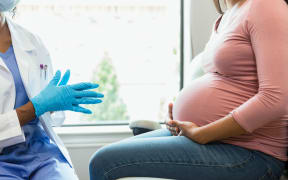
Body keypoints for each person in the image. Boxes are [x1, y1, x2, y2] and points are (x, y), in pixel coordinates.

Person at [89, 0, 288, 179]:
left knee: (105, 163)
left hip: (250, 153)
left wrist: (203, 132)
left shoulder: (266, 6)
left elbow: (276, 98)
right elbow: (227, 80)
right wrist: (182, 112)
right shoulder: (227, 15)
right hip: (215, 140)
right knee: (103, 158)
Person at [0, 0, 104, 179]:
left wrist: (54, 102)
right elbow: (38, 105)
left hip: (42, 156)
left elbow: (46, 110)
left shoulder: (31, 40)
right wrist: (37, 106)